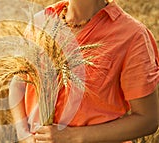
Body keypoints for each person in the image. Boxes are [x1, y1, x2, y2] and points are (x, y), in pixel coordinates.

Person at [9, 0, 159, 142]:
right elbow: (18, 83)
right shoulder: (41, 21)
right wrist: (23, 134)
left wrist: (72, 137)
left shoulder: (132, 36)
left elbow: (148, 119)